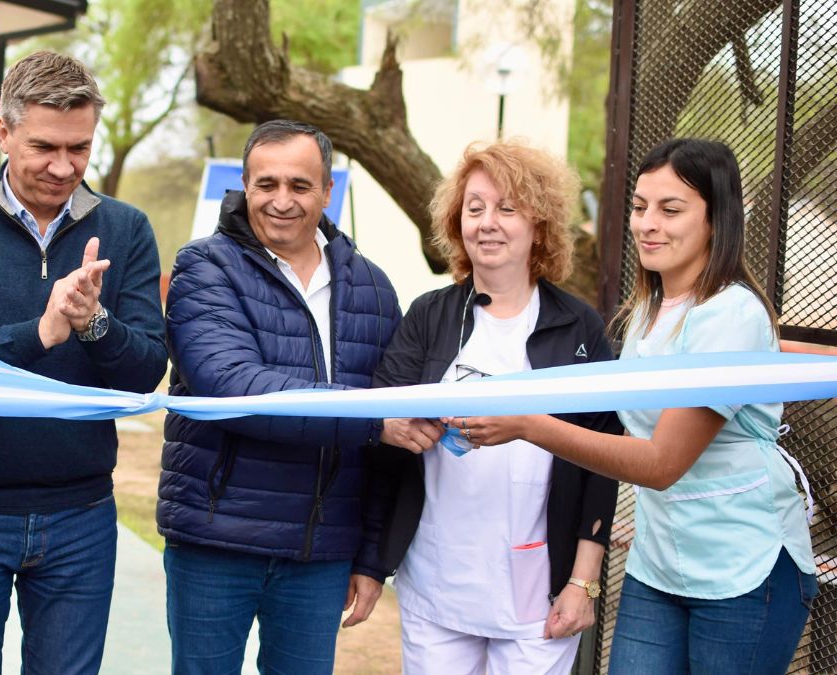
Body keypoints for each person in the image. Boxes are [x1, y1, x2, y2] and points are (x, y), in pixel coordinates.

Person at [460, 138, 816, 673]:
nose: (648, 223)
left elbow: (659, 464)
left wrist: (529, 425)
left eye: (671, 210)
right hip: (659, 564)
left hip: (745, 567)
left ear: (716, 219)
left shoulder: (732, 312)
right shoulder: (648, 309)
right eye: (640, 206)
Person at [0, 51, 166, 674]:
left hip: (82, 513)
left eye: (80, 148)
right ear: (3, 131)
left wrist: (94, 324)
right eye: (45, 146)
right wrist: (40, 333)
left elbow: (147, 367)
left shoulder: (126, 230)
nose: (63, 167)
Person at [366, 141, 622, 674]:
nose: (487, 222)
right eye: (475, 208)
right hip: (439, 585)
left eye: (507, 208)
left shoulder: (579, 328)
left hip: (538, 596)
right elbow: (380, 421)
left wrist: (582, 581)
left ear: (540, 223)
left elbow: (603, 463)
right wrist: (392, 429)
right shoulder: (430, 316)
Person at [157, 119, 401, 674]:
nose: (282, 201)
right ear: (245, 185)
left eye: (300, 185)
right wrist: (370, 422)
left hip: (321, 554)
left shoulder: (374, 288)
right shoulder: (203, 267)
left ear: (327, 191)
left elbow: (394, 439)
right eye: (266, 184)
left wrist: (371, 557)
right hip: (216, 540)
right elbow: (234, 385)